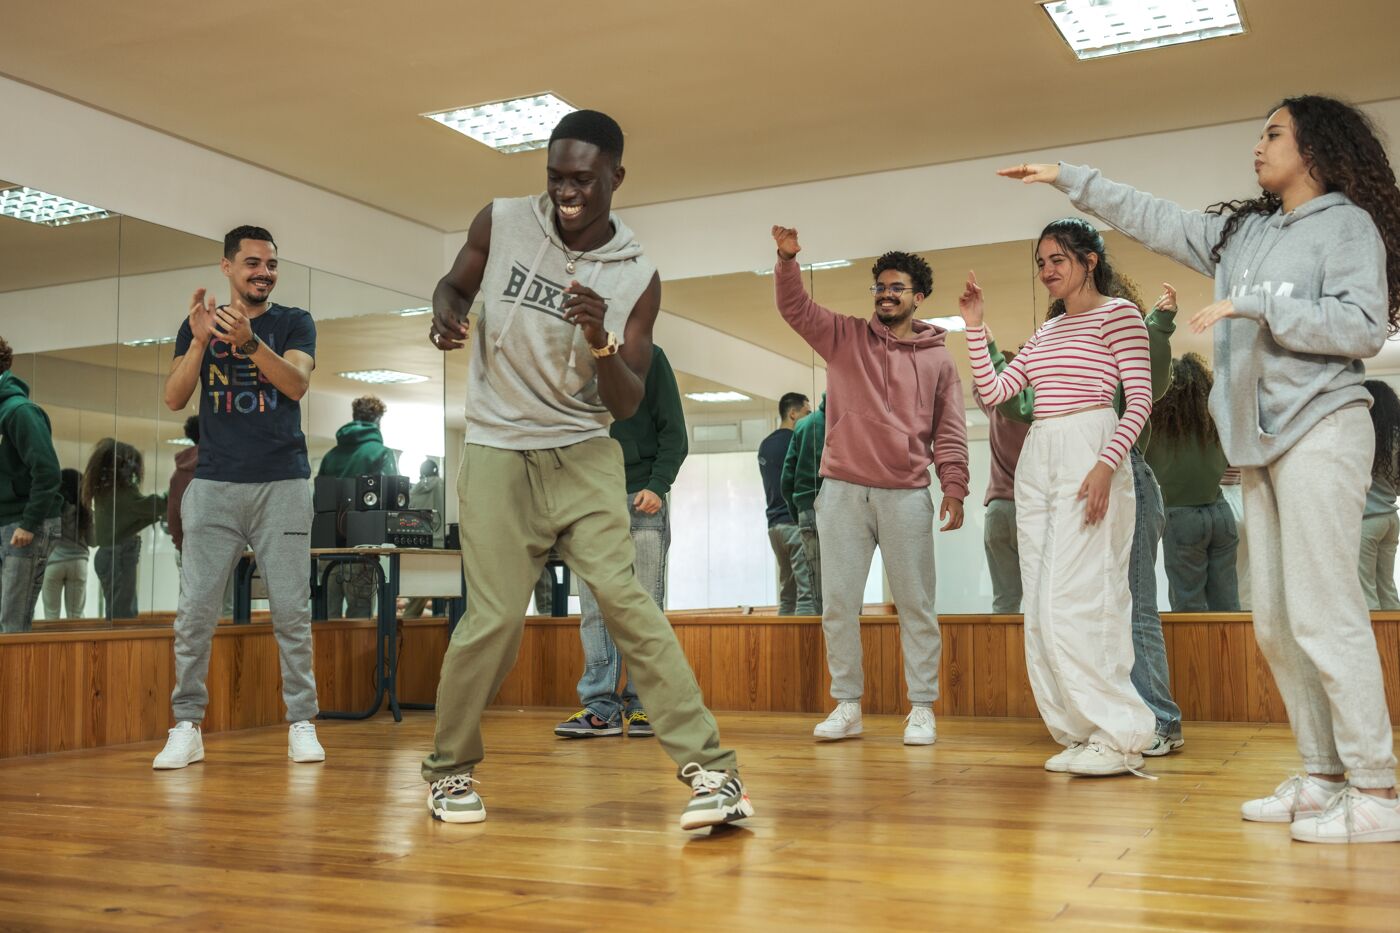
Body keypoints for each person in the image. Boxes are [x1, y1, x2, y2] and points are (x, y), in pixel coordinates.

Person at [1002, 92, 1400, 841]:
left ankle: (1377, 786)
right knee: (1278, 622)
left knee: (1325, 610)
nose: (1258, 146)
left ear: (1315, 148)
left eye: (1274, 133)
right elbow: (1153, 216)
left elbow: (1363, 323)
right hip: (1259, 441)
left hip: (1323, 423)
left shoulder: (1347, 225)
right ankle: (1321, 777)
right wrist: (1068, 177)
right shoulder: (1242, 232)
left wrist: (1257, 309)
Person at [423, 110, 751, 830]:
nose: (566, 193)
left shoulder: (637, 274)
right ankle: (448, 771)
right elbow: (455, 286)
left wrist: (600, 338)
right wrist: (446, 314)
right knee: (497, 615)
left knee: (626, 600)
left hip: (582, 450)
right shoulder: (502, 219)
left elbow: (628, 397)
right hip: (498, 449)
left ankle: (712, 773)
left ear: (616, 179)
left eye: (583, 180)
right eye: (556, 177)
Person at [961, 218, 1157, 777]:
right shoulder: (1047, 333)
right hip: (1040, 457)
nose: (1047, 271)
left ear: (1089, 260)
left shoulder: (1119, 316)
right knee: (1043, 604)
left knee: (1085, 595)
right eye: (1041, 262)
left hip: (1088, 447)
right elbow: (997, 392)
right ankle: (1077, 728)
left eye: (1058, 260)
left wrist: (1104, 464)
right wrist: (976, 327)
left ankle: (1117, 732)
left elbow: (1138, 399)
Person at [770, 228, 968, 747]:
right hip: (841, 493)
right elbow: (794, 308)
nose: (885, 293)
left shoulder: (939, 360)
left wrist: (955, 486)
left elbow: (949, 430)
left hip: (904, 494)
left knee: (916, 604)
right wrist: (787, 261)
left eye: (896, 287)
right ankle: (847, 705)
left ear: (917, 296)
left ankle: (921, 708)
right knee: (838, 604)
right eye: (879, 286)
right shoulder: (844, 337)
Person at [986, 275, 1185, 758]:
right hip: (1069, 474)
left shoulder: (1122, 328)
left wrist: (1158, 327)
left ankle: (1158, 720)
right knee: (1071, 600)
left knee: (1128, 601)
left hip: (1118, 468)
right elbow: (1014, 401)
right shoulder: (1055, 342)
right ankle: (1101, 721)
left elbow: (1148, 388)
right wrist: (989, 348)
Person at [153, 224, 323, 770]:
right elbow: (175, 398)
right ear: (228, 267)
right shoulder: (198, 326)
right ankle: (186, 725)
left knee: (292, 613)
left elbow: (295, 384)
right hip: (215, 487)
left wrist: (248, 342)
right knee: (195, 613)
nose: (263, 273)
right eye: (252, 263)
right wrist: (202, 340)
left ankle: (301, 722)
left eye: (270, 264)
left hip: (283, 485)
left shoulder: (294, 323)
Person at [555, 342, 687, 739]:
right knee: (595, 608)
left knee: (645, 605)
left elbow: (674, 432)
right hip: (589, 499)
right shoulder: (570, 362)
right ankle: (601, 707)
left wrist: (658, 484)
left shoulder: (650, 357)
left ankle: (645, 703)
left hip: (641, 497)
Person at [1147, 352, 1240, 611]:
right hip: (1221, 513)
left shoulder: (1159, 431)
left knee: (1189, 608)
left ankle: (1196, 654)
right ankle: (1229, 652)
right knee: (1228, 605)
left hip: (1181, 518)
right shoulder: (1212, 426)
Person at [0, 336, 62, 633]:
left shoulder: (19, 411)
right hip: (6, 523)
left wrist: (28, 523)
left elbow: (48, 472)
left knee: (11, 623)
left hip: (23, 526)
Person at [317, 395, 399, 619]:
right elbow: (395, 499)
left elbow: (319, 499)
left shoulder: (330, 456)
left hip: (327, 552)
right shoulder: (380, 454)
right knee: (359, 622)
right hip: (362, 549)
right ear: (379, 420)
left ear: (354, 417)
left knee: (325, 620)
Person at [972, 333, 1029, 614]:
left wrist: (990, 361)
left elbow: (977, 386)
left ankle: (1003, 659)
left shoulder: (995, 409)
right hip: (1030, 511)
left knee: (1004, 601)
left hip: (997, 512)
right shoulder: (1034, 411)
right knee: (1041, 601)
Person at [83, 439, 166, 621]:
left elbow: (134, 518)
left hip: (112, 555)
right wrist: (172, 494)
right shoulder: (121, 493)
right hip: (117, 557)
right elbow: (152, 506)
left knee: (121, 613)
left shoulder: (104, 491)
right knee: (123, 617)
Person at [168, 415, 234, 618]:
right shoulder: (227, 464)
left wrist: (181, 544)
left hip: (191, 547)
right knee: (226, 610)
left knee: (191, 609)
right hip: (224, 545)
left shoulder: (179, 474)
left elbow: (173, 515)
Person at [758, 392, 815, 614]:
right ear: (793, 413)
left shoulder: (765, 445)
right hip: (793, 524)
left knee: (787, 593)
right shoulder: (797, 441)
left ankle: (787, 647)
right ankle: (806, 647)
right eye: (806, 413)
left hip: (774, 528)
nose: (810, 419)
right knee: (806, 594)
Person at [781, 393, 826, 615]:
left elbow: (786, 479)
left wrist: (799, 511)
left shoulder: (803, 426)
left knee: (817, 590)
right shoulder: (851, 422)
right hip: (847, 510)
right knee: (848, 586)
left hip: (808, 510)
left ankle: (824, 648)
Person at [1360, 380, 1400, 610]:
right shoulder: (1395, 437)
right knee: (1387, 589)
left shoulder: (1362, 435)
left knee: (1365, 592)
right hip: (1390, 519)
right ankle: (1394, 644)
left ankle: (1375, 646)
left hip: (1366, 520)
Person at [41, 469, 92, 620]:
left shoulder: (51, 509)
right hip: (78, 564)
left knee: (51, 615)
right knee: (76, 616)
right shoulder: (85, 512)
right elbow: (93, 541)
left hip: (53, 564)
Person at [403, 458, 446, 618]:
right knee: (448, 586)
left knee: (420, 588)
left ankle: (408, 621)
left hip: (420, 544)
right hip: (442, 544)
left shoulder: (412, 492)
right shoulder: (443, 486)